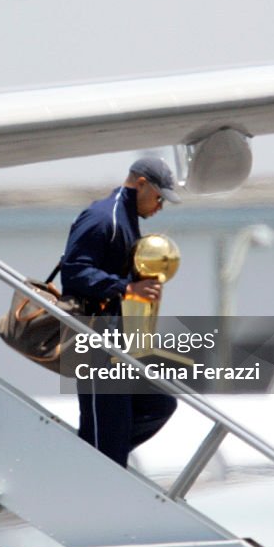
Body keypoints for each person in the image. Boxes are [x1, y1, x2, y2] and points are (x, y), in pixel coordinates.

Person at [61, 156, 181, 467]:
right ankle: (93, 465)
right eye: (158, 197)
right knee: (107, 438)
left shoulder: (126, 219)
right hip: (94, 340)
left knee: (159, 404)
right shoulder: (104, 216)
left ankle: (92, 460)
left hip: (116, 342)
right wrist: (127, 289)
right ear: (141, 184)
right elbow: (74, 273)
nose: (159, 207)